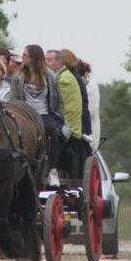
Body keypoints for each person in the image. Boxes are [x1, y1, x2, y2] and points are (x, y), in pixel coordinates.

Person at [10, 45, 64, 187]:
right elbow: (14, 99)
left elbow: (59, 100)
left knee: (53, 131)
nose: (23, 58)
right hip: (25, 113)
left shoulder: (51, 76)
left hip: (45, 113)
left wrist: (60, 117)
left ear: (34, 57)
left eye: (25, 55)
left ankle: (53, 171)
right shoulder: (18, 77)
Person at [46, 49, 88, 180]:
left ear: (59, 62)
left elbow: (62, 109)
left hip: (69, 129)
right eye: (45, 60)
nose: (46, 63)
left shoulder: (63, 80)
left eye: (49, 60)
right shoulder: (65, 76)